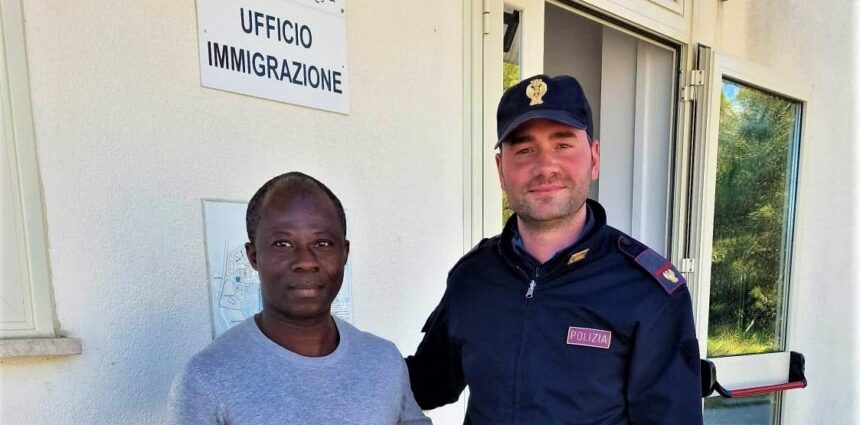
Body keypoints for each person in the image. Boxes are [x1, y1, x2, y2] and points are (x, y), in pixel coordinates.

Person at [406, 75, 703, 424]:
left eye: (563, 145)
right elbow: (426, 385)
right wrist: (350, 349)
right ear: (501, 170)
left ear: (594, 158)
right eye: (524, 150)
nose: (545, 166)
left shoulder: (648, 292)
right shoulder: (472, 278)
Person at [168, 172, 431, 425]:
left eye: (322, 243)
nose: (306, 261)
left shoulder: (384, 360)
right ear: (254, 256)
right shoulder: (206, 379)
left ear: (344, 253)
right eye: (283, 244)